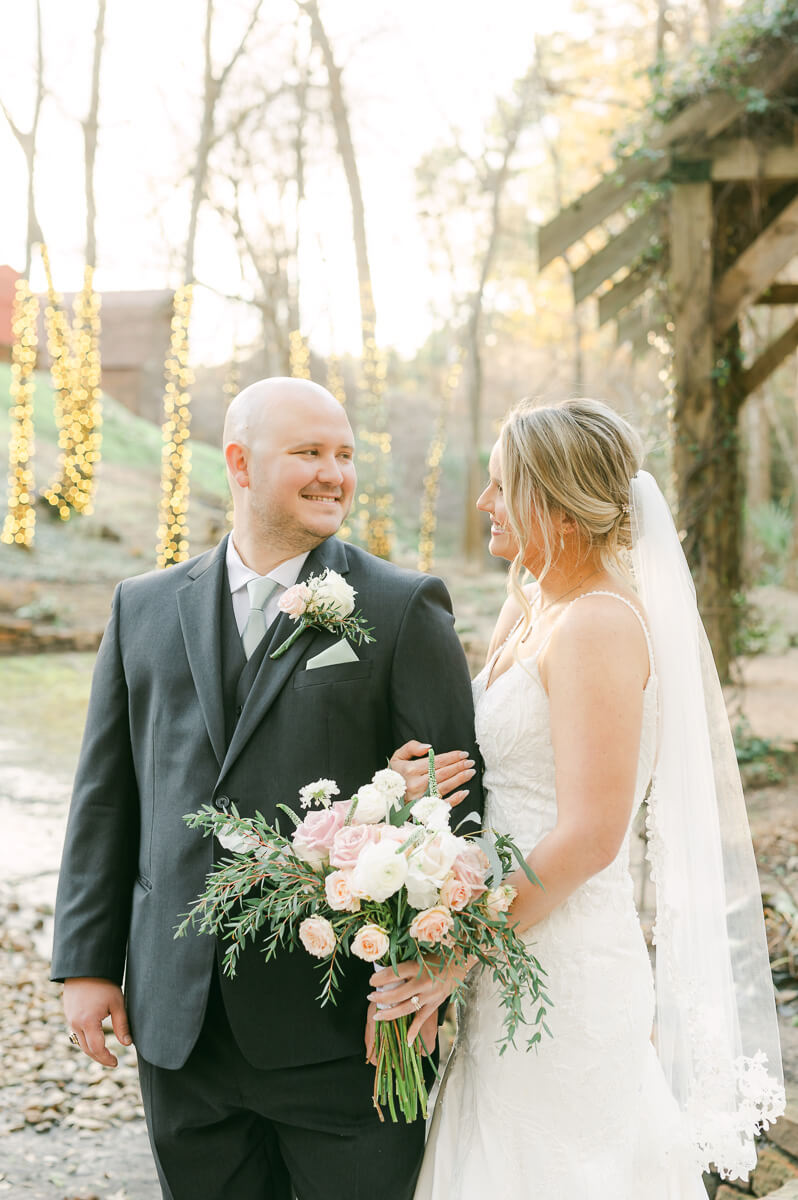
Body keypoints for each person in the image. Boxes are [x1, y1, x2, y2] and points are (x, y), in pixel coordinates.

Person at [51, 377, 483, 1200]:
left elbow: (452, 810)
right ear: (241, 463)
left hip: (345, 1029)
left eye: (346, 455)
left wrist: (427, 966)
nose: (335, 474)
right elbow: (107, 797)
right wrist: (87, 965)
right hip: (181, 1020)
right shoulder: (140, 607)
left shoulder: (400, 608)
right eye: (310, 453)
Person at [372, 397, 784, 1196]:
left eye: (502, 486)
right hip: (509, 947)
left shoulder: (597, 623)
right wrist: (412, 787)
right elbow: (501, 775)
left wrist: (458, 953)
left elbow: (593, 833)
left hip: (563, 968)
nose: (486, 503)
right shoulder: (532, 609)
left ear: (558, 510)